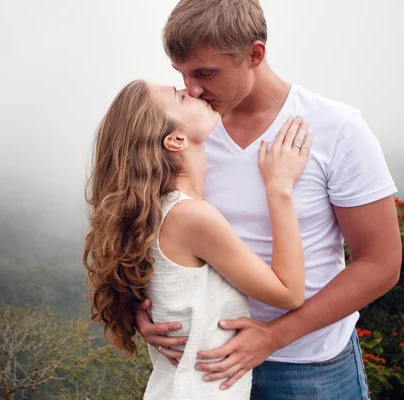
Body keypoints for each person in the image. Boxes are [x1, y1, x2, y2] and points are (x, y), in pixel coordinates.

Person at [135, 1, 402, 399]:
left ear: (254, 54)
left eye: (205, 73)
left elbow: (381, 263)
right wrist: (141, 307)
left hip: (309, 371)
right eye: (182, 74)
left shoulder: (336, 129)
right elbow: (147, 221)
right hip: (204, 367)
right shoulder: (185, 130)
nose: (192, 89)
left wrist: (274, 337)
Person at [83, 78, 313, 399]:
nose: (191, 91)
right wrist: (280, 188)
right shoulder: (191, 216)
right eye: (180, 97)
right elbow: (288, 294)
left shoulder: (159, 209)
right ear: (176, 139)